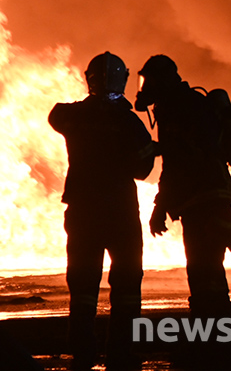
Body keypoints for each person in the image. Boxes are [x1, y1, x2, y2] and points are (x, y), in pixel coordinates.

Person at [134, 55, 231, 369]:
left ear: (162, 81)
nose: (143, 89)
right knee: (208, 275)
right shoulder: (185, 104)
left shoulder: (178, 110)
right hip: (206, 199)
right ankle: (213, 344)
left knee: (204, 276)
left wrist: (159, 207)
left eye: (147, 81)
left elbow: (176, 164)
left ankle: (213, 348)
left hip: (203, 201)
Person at [49, 52, 156, 371]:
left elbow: (56, 116)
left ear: (89, 78)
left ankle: (82, 352)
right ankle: (121, 351)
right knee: (126, 284)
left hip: (83, 212)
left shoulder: (74, 116)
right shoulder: (128, 121)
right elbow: (143, 170)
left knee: (82, 284)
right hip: (120, 212)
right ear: (122, 80)